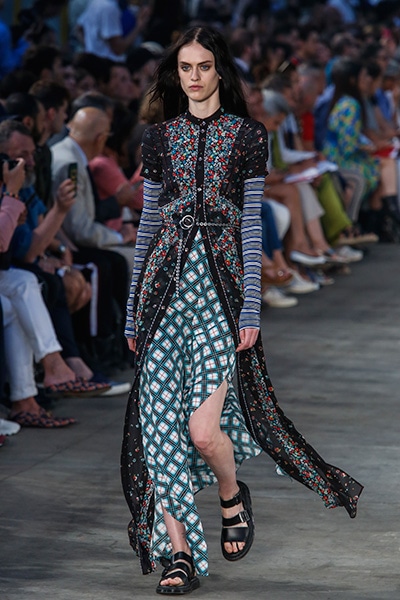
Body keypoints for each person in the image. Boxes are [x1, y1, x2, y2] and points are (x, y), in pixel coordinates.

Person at [121, 26, 363, 595]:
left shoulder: (249, 136)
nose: (195, 77)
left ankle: (232, 493)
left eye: (204, 66)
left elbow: (252, 226)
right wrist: (132, 311)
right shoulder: (158, 138)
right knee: (160, 431)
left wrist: (250, 308)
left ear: (220, 71)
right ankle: (180, 555)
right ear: (176, 73)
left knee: (204, 433)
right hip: (161, 297)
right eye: (186, 67)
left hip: (220, 298)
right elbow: (148, 227)